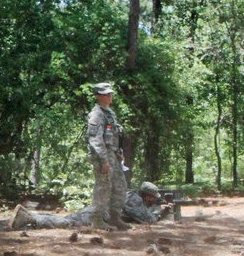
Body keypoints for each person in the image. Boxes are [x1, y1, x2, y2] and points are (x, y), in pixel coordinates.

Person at [10, 182, 170, 230]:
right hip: (100, 215)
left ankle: (29, 216)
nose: (153, 200)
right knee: (69, 223)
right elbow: (147, 219)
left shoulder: (130, 195)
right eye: (152, 198)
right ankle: (30, 218)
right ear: (147, 195)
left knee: (67, 219)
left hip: (96, 210)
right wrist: (160, 212)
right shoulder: (134, 200)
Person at [86, 83, 129, 231]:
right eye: (105, 94)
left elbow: (115, 136)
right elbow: (95, 139)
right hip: (103, 157)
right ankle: (97, 220)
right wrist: (104, 160)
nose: (109, 97)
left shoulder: (109, 113)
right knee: (103, 187)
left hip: (113, 156)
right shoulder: (96, 114)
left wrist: (119, 154)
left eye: (110, 94)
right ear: (98, 96)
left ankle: (115, 217)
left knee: (119, 186)